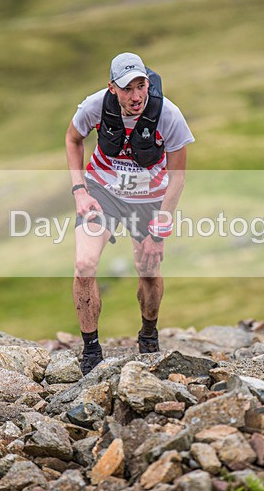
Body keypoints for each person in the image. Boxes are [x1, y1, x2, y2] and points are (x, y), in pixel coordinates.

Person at [64, 52, 195, 375]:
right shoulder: (94, 106)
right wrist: (80, 190)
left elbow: (177, 177)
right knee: (84, 265)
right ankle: (91, 350)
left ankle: (148, 336)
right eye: (127, 88)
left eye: (141, 86)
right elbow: (73, 138)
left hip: (148, 198)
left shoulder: (169, 114)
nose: (136, 96)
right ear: (112, 88)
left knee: (148, 271)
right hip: (103, 192)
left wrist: (158, 232)